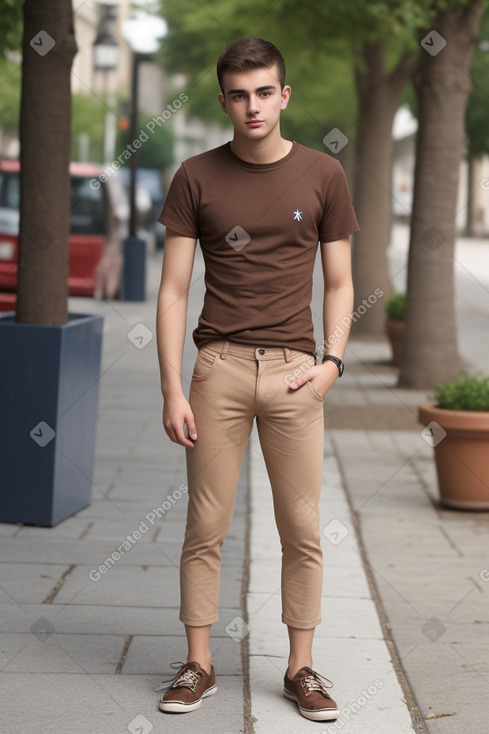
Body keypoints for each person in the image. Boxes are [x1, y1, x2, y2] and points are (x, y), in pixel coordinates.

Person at [156, 37, 359, 722]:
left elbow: (339, 282)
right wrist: (172, 388)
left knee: (301, 527)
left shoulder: (322, 174)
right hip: (217, 369)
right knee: (204, 525)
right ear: (223, 101)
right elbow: (173, 291)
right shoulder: (195, 176)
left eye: (264, 92)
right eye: (239, 95)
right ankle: (197, 663)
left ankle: (300, 668)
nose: (252, 106)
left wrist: (330, 364)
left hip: (296, 375)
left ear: (283, 96)